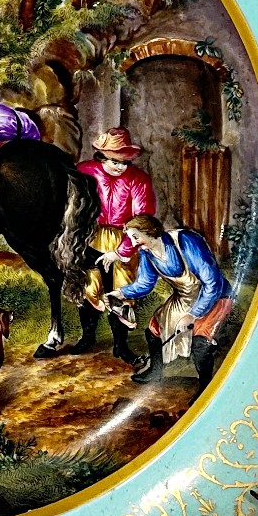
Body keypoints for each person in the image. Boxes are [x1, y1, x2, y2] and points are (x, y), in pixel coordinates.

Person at [107, 214, 233, 397]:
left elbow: (213, 283)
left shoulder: (185, 241)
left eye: (136, 237)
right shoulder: (147, 253)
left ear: (150, 232)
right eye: (131, 239)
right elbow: (145, 283)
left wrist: (193, 314)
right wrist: (120, 293)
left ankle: (206, 388)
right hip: (183, 299)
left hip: (214, 298)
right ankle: (155, 372)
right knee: (153, 329)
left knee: (200, 343)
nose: (133, 243)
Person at [74, 127, 157, 361]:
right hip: (91, 235)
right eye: (114, 161)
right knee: (88, 285)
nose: (120, 167)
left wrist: (121, 252)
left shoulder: (139, 179)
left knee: (121, 289)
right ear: (101, 157)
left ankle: (120, 345)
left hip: (124, 237)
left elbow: (143, 219)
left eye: (125, 162)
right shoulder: (85, 171)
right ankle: (87, 337)